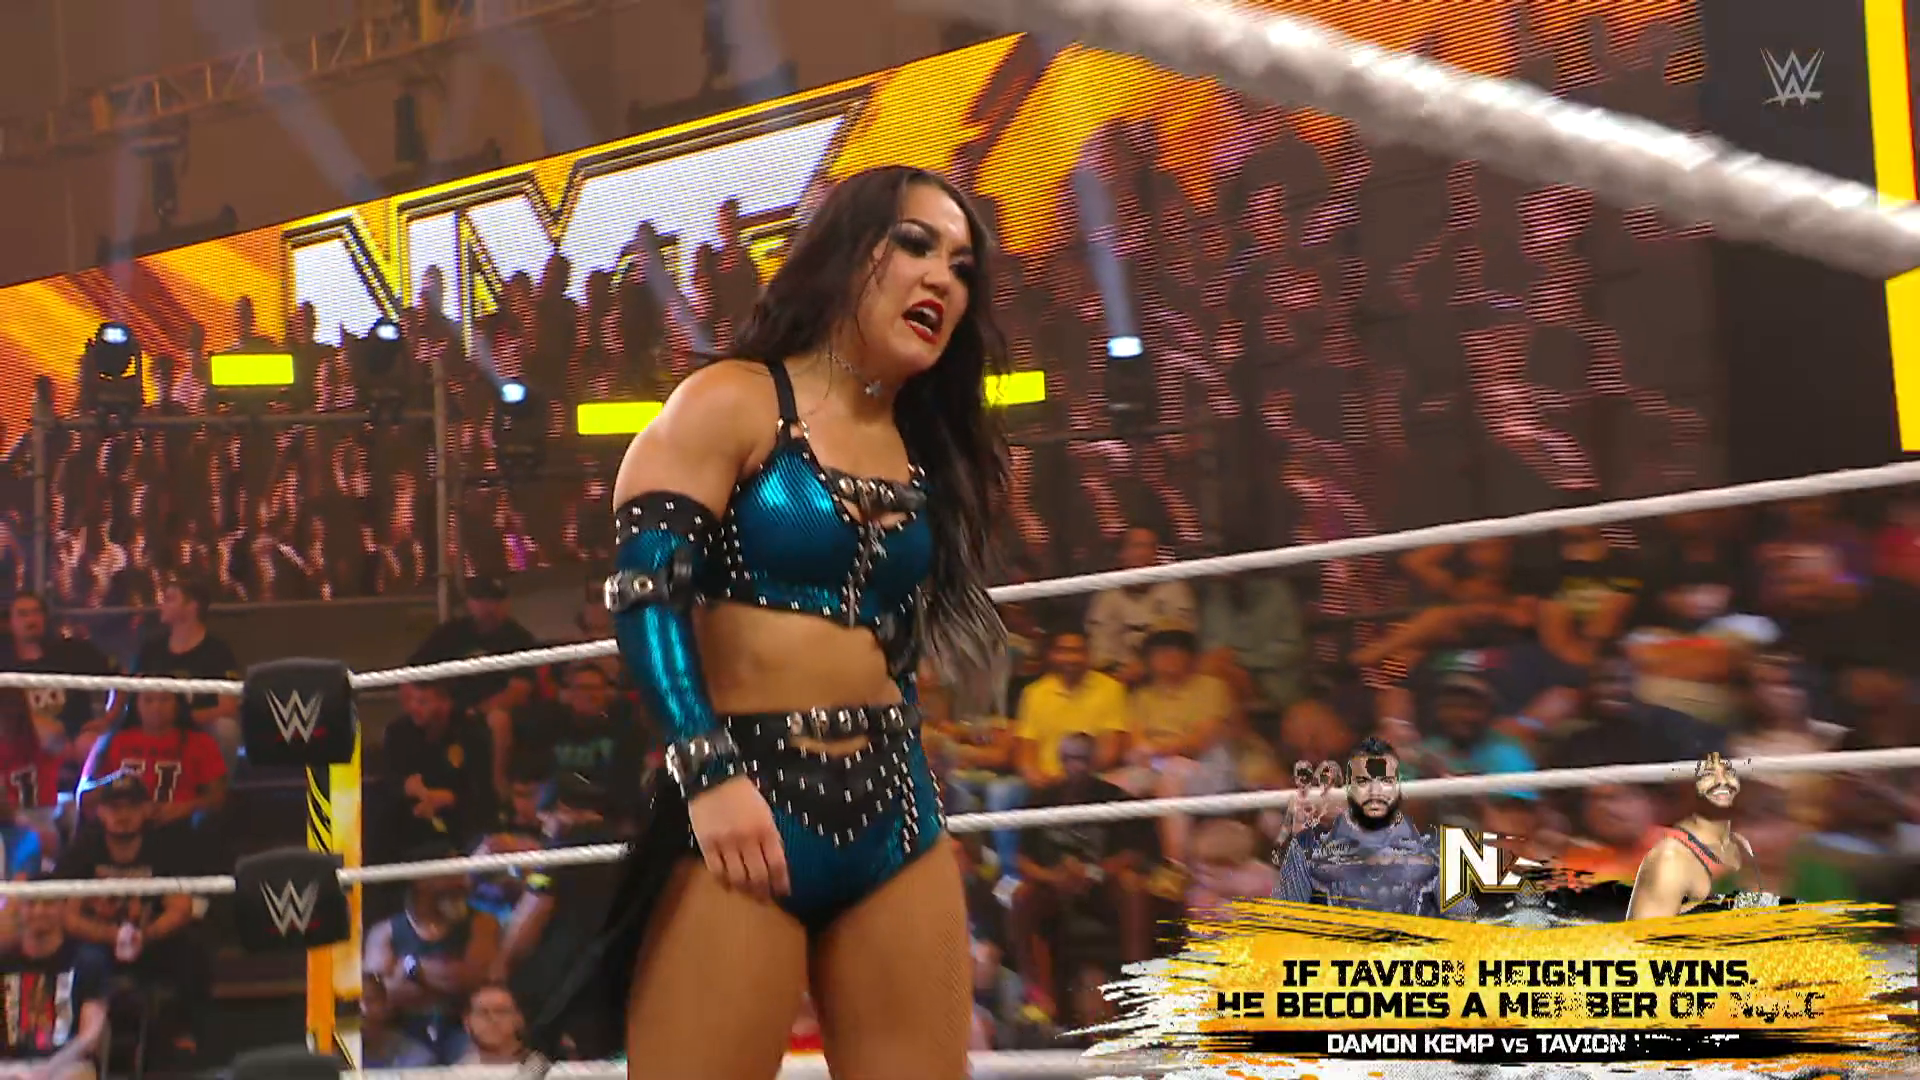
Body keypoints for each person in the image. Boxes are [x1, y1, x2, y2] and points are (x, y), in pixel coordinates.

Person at [526, 165, 1008, 1080]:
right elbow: (645, 595)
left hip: (896, 806)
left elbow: (898, 637)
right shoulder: (733, 400)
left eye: (962, 266)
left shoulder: (924, 448)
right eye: (916, 244)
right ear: (850, 254)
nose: (943, 278)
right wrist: (707, 773)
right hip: (749, 792)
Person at [1275, 736, 1476, 918]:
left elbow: (1465, 927)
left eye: (1385, 781)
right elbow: (1284, 925)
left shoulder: (1439, 852)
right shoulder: (1306, 850)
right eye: (1364, 781)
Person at [0, 883, 110, 1079]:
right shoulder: (5, 961)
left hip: (67, 1064)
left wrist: (48, 1069)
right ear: (20, 909)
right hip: (9, 1066)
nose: (39, 911)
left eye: (48, 903)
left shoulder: (87, 959)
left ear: (63, 908)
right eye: (31, 904)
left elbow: (90, 1035)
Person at [1626, 752, 1752, 919]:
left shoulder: (1746, 845)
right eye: (1709, 774)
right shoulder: (1671, 857)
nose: (1722, 781)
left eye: (1729, 772)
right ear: (1687, 784)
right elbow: (1645, 934)